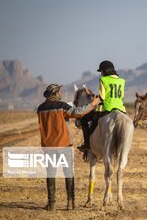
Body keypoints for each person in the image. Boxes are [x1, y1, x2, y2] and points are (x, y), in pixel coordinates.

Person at [37, 83, 100, 211]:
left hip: (48, 146)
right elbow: (79, 113)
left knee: (50, 174)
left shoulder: (40, 108)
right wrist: (93, 104)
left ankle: (52, 204)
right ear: (55, 94)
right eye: (59, 92)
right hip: (63, 144)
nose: (61, 94)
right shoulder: (62, 106)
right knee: (68, 174)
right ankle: (70, 203)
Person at [78, 60, 126, 152]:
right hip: (121, 109)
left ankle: (87, 143)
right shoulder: (122, 81)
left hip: (106, 109)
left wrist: (91, 98)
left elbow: (102, 97)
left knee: (84, 119)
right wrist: (92, 94)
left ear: (104, 71)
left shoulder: (103, 80)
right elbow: (120, 96)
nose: (101, 74)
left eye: (101, 72)